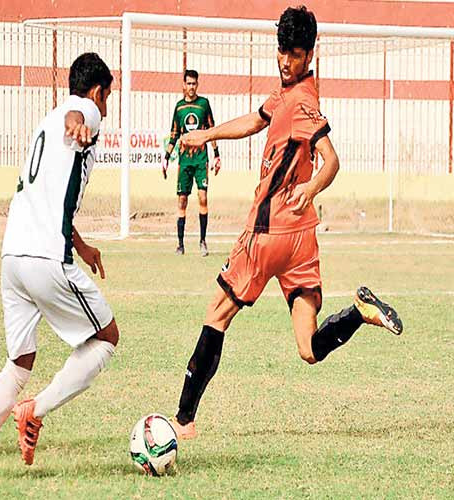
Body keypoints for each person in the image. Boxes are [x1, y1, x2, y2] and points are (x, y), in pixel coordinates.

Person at [169, 5, 403, 440]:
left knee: (217, 314)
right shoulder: (288, 93)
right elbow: (253, 122)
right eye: (282, 51)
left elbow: (331, 160)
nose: (285, 61)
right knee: (308, 348)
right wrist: (208, 134)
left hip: (268, 230)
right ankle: (359, 313)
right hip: (301, 239)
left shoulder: (301, 102)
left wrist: (311, 188)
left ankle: (183, 420)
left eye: (294, 54)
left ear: (309, 55)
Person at [0, 52, 118, 483]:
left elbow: (48, 196)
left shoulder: (46, 121)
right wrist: (79, 121)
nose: (105, 110)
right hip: (45, 258)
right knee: (106, 337)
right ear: (98, 92)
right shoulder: (84, 111)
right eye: (107, 99)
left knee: (20, 361)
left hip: (13, 258)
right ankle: (34, 411)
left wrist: (82, 245)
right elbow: (80, 116)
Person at [162, 70, 221, 256]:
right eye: (188, 83)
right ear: (183, 85)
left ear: (197, 84)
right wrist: (166, 158)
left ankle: (203, 241)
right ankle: (180, 244)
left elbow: (212, 131)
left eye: (194, 83)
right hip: (185, 160)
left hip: (201, 158)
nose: (191, 87)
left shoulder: (204, 104)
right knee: (182, 200)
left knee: (203, 197)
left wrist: (217, 154)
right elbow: (174, 134)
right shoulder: (179, 108)